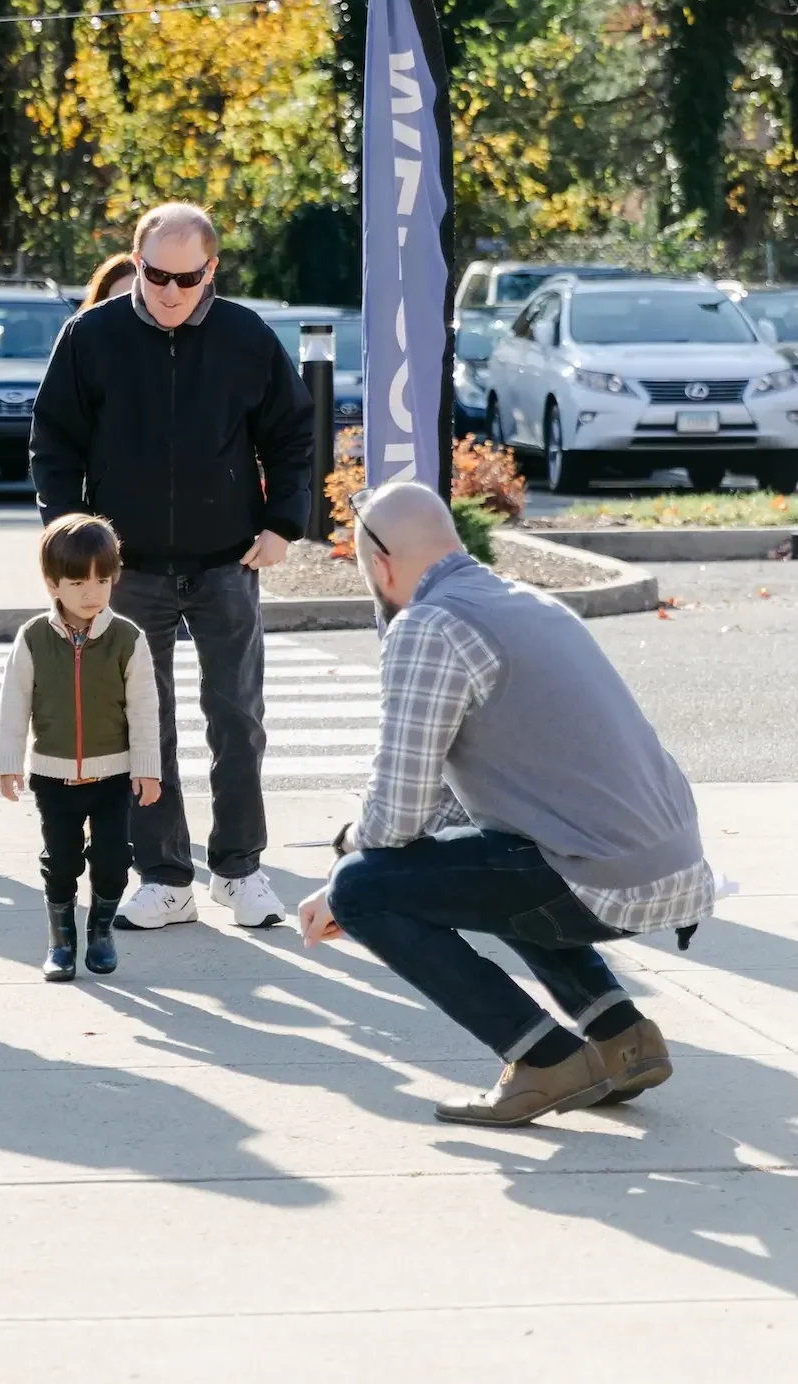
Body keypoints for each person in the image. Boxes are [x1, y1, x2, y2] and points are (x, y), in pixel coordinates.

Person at [297, 481, 715, 1126]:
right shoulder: (529, 602)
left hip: (601, 879)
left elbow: (398, 813)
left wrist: (344, 867)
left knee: (362, 887)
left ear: (378, 563)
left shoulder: (429, 626)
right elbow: (443, 812)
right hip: (671, 867)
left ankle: (544, 1059)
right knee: (495, 868)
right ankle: (622, 1035)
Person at [30, 200, 314, 931]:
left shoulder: (245, 336)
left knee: (236, 721)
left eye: (186, 279)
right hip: (130, 569)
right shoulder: (90, 337)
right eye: (155, 274)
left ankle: (240, 869)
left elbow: (289, 434)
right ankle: (163, 876)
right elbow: (53, 440)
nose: (168, 291)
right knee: (141, 727)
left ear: (210, 270)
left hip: (227, 560)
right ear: (135, 261)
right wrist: (68, 536)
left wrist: (285, 523)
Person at [0, 514, 161, 980]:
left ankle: (101, 930)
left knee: (113, 860)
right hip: (53, 775)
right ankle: (61, 939)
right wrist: (8, 764)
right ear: (52, 584)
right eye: (77, 581)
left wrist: (147, 768)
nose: (92, 592)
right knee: (61, 860)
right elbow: (14, 705)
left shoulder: (128, 639)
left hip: (112, 776)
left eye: (102, 580)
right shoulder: (32, 637)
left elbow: (145, 710)